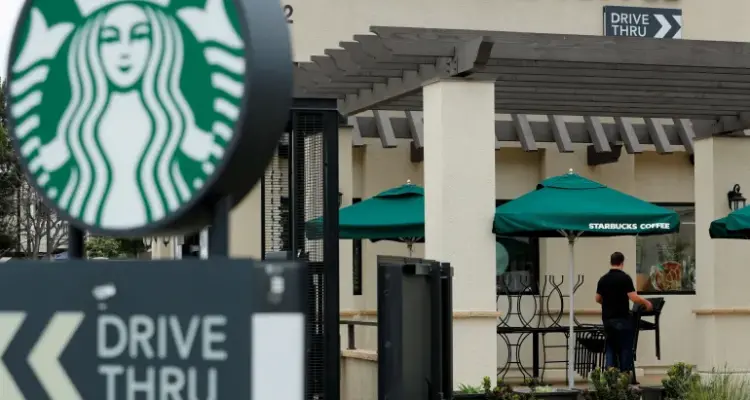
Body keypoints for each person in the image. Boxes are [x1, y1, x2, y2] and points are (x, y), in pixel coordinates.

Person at [595, 251, 652, 384]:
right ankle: (624, 376)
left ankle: (610, 376)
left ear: (611, 262)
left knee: (610, 346)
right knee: (625, 346)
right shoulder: (625, 278)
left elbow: (597, 298)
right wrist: (646, 302)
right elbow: (633, 297)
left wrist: (608, 303)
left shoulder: (603, 279)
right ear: (622, 263)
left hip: (607, 320)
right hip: (622, 319)